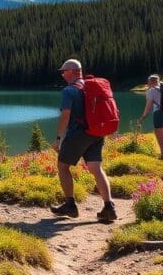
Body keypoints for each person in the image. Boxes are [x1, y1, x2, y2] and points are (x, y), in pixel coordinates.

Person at [50, 58, 117, 221]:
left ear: (73, 71)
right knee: (96, 168)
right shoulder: (90, 86)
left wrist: (58, 138)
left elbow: (65, 116)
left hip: (78, 134)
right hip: (96, 132)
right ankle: (109, 207)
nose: (62, 74)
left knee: (63, 166)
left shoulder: (69, 91)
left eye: (63, 71)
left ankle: (70, 205)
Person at [138, 74, 163, 161]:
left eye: (148, 81)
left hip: (159, 113)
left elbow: (148, 106)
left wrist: (143, 117)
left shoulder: (151, 91)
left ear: (150, 82)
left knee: (159, 136)